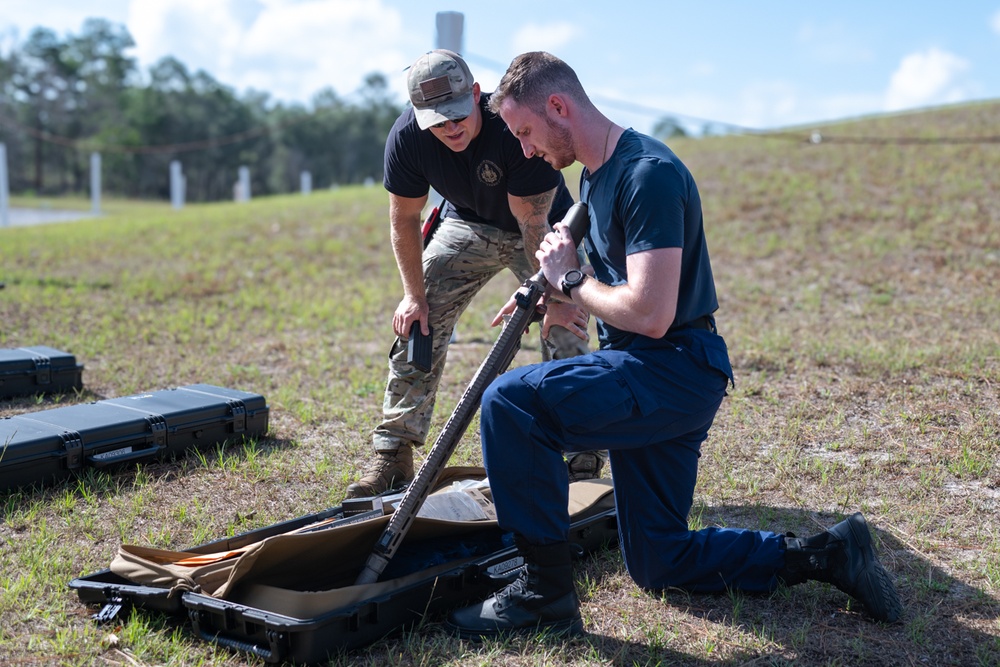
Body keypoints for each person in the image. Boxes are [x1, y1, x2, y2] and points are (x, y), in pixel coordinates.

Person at [446, 51, 902, 638]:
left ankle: (542, 592)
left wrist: (571, 281)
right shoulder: (596, 174)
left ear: (558, 107)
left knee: (510, 403)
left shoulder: (647, 175)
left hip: (671, 368)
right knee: (659, 560)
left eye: (526, 132)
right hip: (652, 370)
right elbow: (609, 284)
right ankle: (826, 554)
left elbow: (651, 313)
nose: (526, 150)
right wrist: (559, 293)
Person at [346, 50, 604, 499]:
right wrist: (413, 295)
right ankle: (394, 454)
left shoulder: (513, 127)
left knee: (564, 325)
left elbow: (532, 225)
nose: (451, 128)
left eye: (458, 115)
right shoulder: (407, 138)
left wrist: (555, 297)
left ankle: (580, 447)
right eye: (437, 121)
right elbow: (404, 220)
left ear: (476, 94)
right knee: (418, 321)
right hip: (468, 225)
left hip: (543, 229)